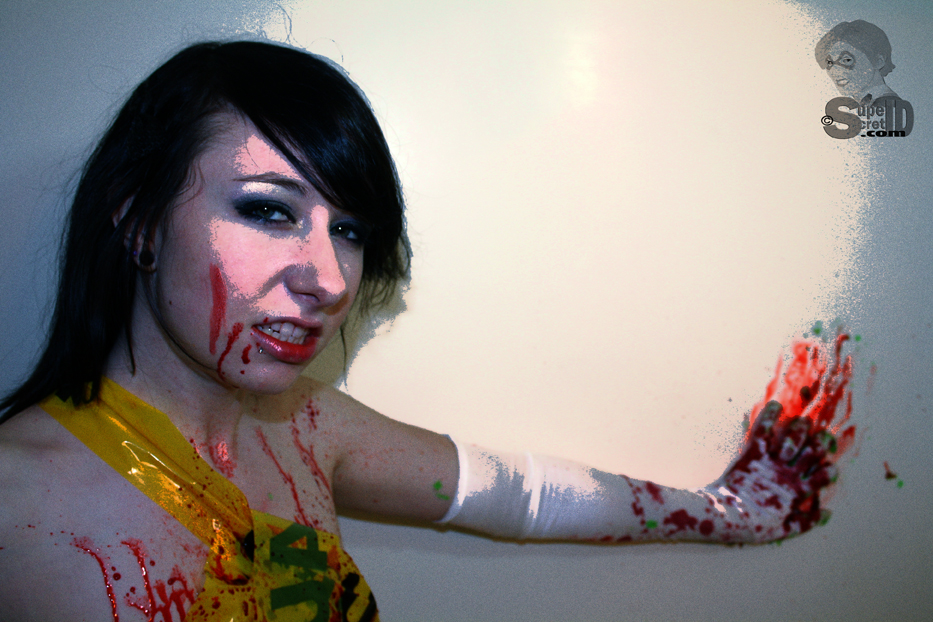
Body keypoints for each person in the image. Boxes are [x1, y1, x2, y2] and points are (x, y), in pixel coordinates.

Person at [0, 40, 845, 622]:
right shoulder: (15, 495)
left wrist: (730, 511)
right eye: (268, 210)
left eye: (348, 230)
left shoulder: (306, 428)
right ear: (138, 222)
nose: (330, 278)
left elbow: (523, 495)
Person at [815, 20, 898, 104]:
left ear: (878, 62)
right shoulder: (860, 104)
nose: (834, 71)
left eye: (846, 60)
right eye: (829, 63)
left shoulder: (890, 105)